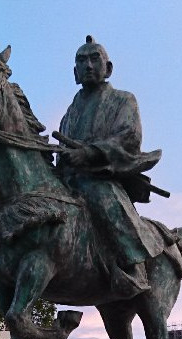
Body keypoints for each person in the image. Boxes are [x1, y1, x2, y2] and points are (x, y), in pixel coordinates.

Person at [54, 36, 166, 295]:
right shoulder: (69, 114)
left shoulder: (123, 100)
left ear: (109, 68)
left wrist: (91, 153)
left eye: (95, 59)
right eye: (82, 61)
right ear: (75, 72)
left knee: (104, 198)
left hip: (99, 176)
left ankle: (133, 265)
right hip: (67, 181)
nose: (89, 66)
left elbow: (129, 136)